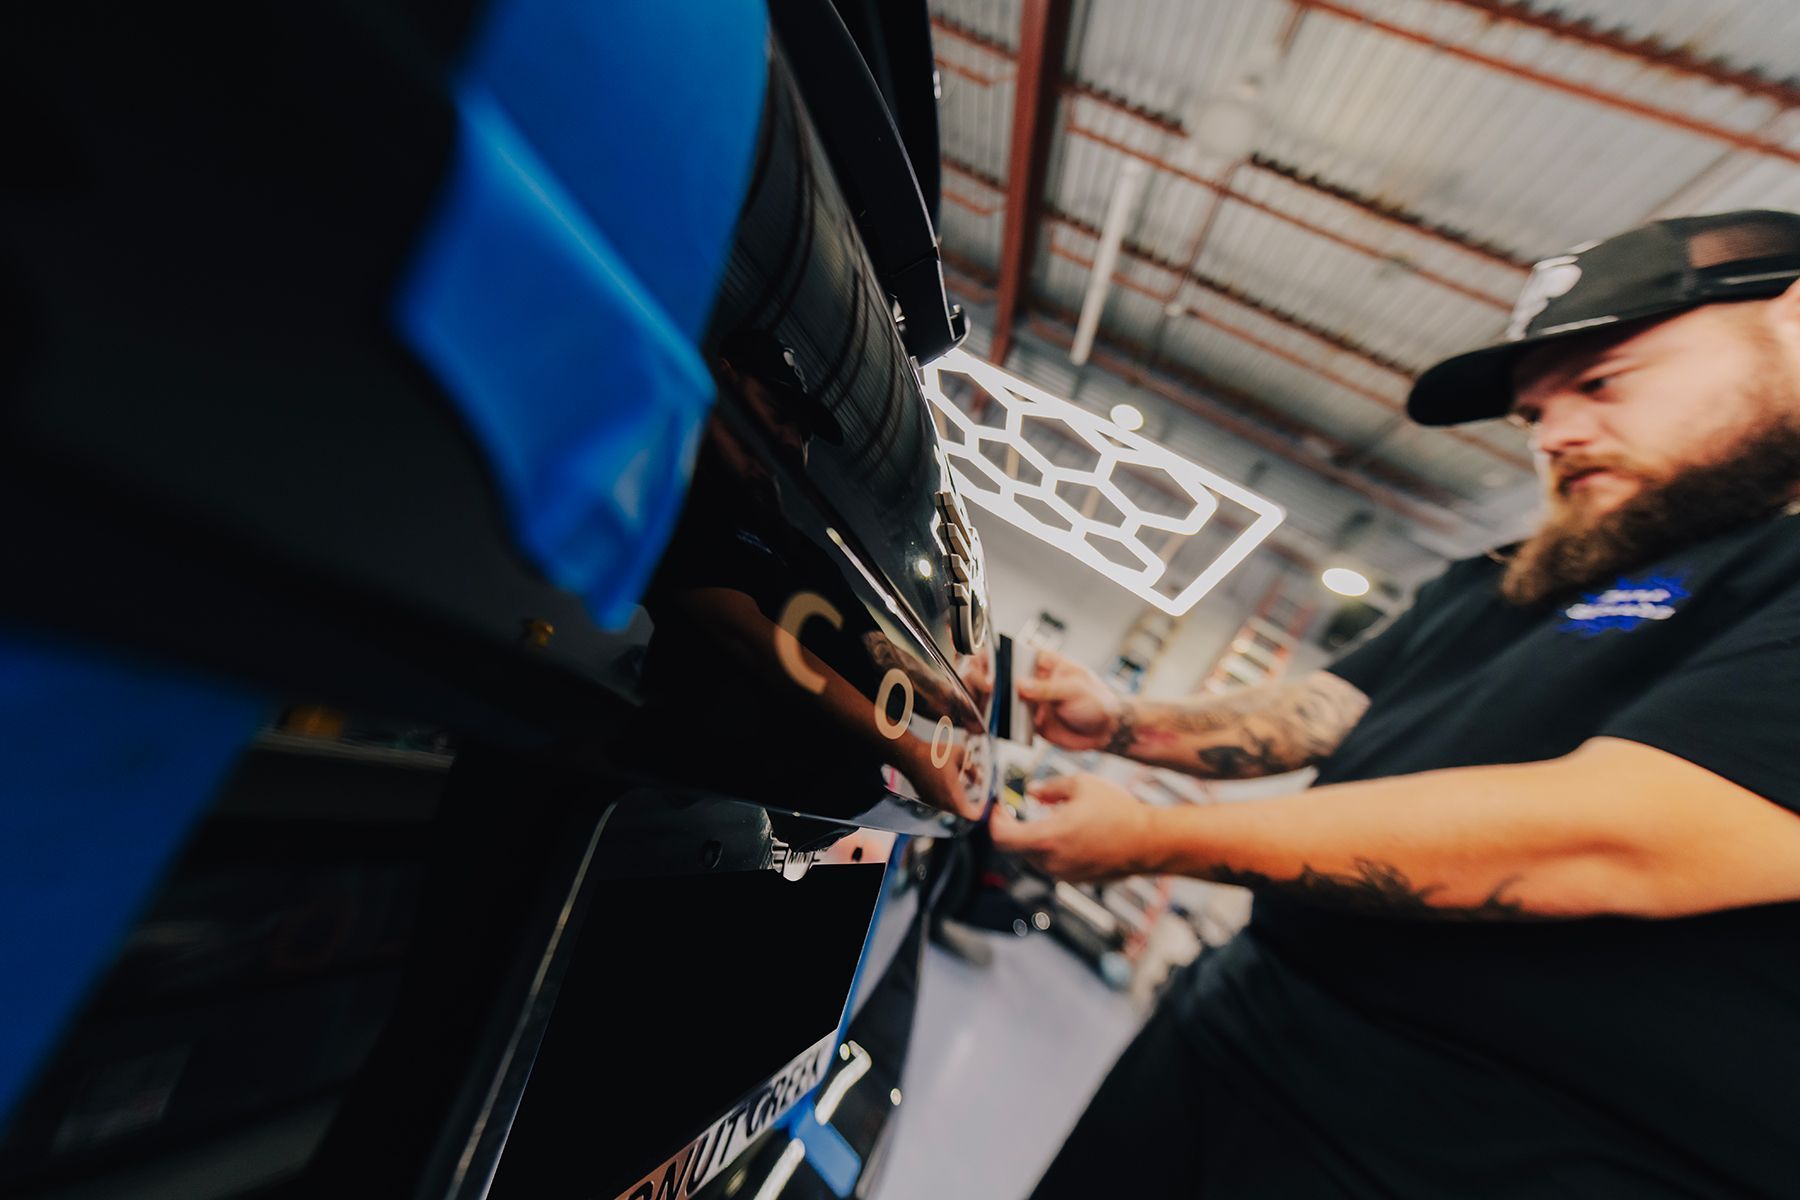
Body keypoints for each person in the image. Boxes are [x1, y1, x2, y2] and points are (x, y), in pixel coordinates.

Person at [990, 210, 1800, 1198]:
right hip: (1233, 1041)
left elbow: (1618, 836)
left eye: (1602, 382)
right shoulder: (1514, 576)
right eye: (1535, 415)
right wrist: (1122, 724)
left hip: (1492, 1153)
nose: (1558, 436)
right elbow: (1326, 711)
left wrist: (1154, 840)